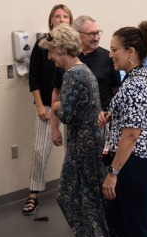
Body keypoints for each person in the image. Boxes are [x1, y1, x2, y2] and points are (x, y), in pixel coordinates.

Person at [44, 25, 111, 237]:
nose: (50, 57)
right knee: (90, 196)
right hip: (90, 141)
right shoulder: (83, 70)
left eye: (52, 52)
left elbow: (67, 114)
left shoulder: (73, 75)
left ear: (62, 49)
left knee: (69, 197)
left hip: (83, 145)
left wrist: (58, 105)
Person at [101, 22, 147, 237]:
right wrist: (110, 114)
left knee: (137, 228)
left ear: (130, 52)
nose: (110, 54)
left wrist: (113, 173)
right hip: (132, 160)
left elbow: (131, 135)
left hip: (135, 163)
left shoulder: (136, 84)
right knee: (117, 221)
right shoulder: (134, 78)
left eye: (114, 49)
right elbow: (132, 117)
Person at [23, 3, 73, 216]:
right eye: (57, 16)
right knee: (39, 150)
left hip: (71, 104)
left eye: (65, 16)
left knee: (73, 149)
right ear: (51, 20)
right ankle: (33, 194)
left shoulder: (75, 45)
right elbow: (33, 77)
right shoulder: (42, 44)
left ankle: (73, 192)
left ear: (70, 20)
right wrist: (38, 106)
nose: (61, 20)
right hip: (46, 104)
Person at [51, 15, 120, 148]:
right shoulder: (69, 59)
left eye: (98, 33)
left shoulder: (108, 57)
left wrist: (111, 116)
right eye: (91, 34)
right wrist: (54, 128)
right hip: (74, 127)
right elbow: (56, 92)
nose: (97, 37)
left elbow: (116, 91)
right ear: (77, 34)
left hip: (102, 124)